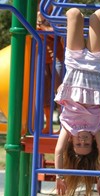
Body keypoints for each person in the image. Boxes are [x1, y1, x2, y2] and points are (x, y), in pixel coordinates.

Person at [54, 8, 100, 196]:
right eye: (87, 145)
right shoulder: (96, 129)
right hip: (94, 68)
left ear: (72, 142)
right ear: (93, 143)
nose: (83, 141)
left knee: (74, 14)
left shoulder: (67, 127)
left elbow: (59, 151)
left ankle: (76, 17)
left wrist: (60, 176)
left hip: (75, 65)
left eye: (79, 144)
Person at [37, 1, 64, 133]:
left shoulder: (56, 14)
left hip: (57, 58)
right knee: (44, 93)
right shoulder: (34, 16)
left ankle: (62, 125)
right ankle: (48, 125)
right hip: (41, 58)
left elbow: (56, 33)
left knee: (60, 92)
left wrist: (41, 24)